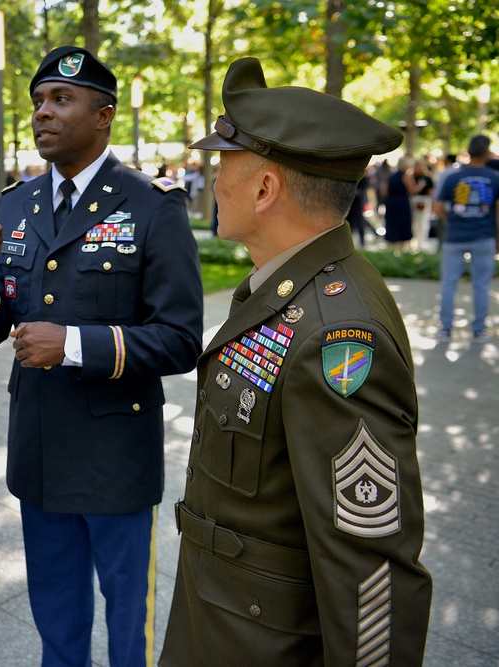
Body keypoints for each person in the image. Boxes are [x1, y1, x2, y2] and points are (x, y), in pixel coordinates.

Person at [158, 57, 432, 666]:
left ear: (264, 189)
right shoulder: (287, 288)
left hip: (264, 646)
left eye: (223, 160)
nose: (212, 177)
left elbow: (370, 567)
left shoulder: (339, 335)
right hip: (222, 623)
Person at [0, 46, 203, 666]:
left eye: (61, 100)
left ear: (104, 115)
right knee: (57, 623)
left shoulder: (151, 205)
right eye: (38, 101)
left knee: (127, 631)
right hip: (39, 450)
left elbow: (181, 338)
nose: (43, 113)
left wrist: (74, 346)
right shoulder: (15, 205)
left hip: (116, 458)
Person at [432, 134, 499, 342]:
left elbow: (437, 207)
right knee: (481, 285)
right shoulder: (494, 177)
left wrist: (452, 219)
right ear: (487, 153)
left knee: (449, 285)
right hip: (484, 236)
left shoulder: (453, 176)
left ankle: (445, 329)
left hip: (455, 236)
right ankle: (479, 330)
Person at [381, 159, 416, 249]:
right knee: (402, 224)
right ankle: (402, 246)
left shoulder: (391, 176)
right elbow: (412, 190)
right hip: (402, 203)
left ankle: (392, 244)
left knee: (393, 224)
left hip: (391, 202)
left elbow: (384, 192)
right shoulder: (405, 177)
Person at [409, 159, 434, 251]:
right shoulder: (410, 177)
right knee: (414, 222)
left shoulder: (427, 178)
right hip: (413, 200)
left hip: (424, 200)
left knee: (422, 222)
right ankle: (414, 242)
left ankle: (421, 242)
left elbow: (431, 191)